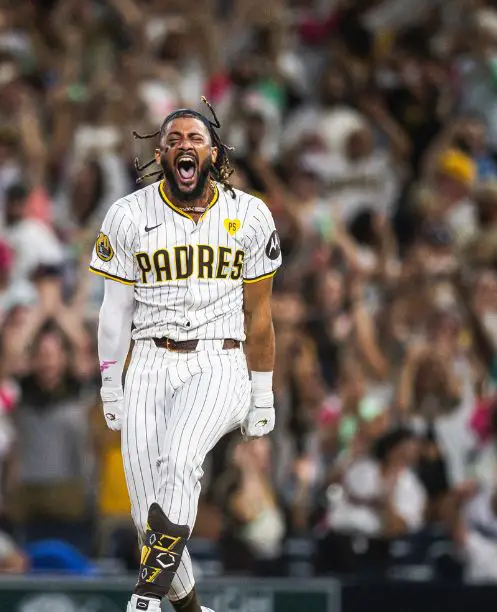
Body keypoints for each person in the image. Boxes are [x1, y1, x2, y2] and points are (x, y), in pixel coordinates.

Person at [89, 100, 282, 612]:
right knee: (147, 515)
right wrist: (111, 382)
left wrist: (262, 390)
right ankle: (192, 611)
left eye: (194, 139)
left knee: (179, 461)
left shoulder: (250, 213)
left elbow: (259, 314)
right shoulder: (129, 213)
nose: (184, 146)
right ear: (160, 153)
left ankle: (146, 596)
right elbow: (114, 312)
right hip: (148, 361)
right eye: (174, 140)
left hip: (221, 359)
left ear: (213, 153)